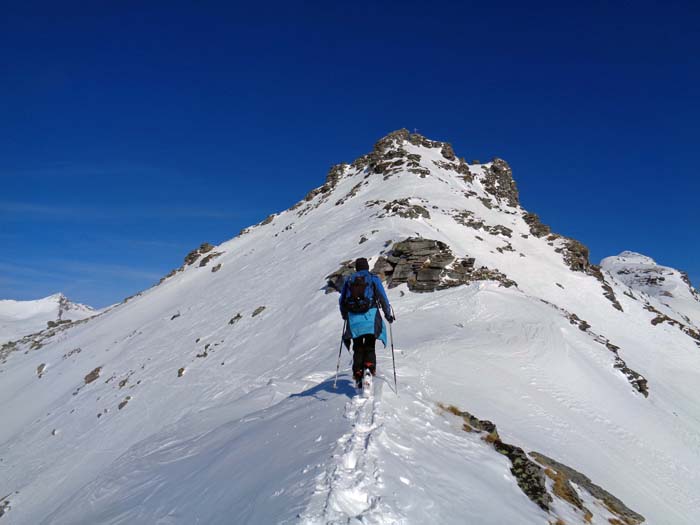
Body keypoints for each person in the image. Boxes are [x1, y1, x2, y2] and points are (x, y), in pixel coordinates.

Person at [339, 257, 394, 389]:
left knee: (358, 346)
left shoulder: (349, 280)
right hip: (371, 315)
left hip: (353, 318)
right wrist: (388, 314)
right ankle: (369, 368)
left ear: (357, 268)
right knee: (370, 344)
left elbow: (342, 301)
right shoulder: (373, 278)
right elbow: (382, 297)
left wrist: (345, 315)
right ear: (367, 267)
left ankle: (358, 373)